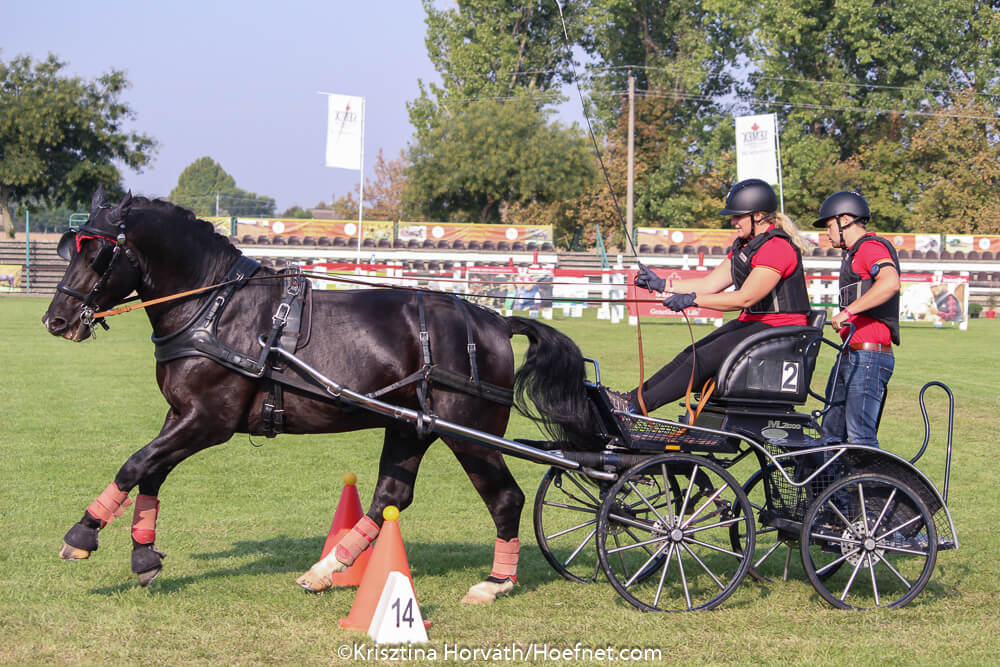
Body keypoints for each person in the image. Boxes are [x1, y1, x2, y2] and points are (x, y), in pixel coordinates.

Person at [613, 178, 811, 414]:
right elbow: (710, 284)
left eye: (738, 216)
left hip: (780, 331)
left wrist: (693, 299)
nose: (733, 222)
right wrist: (662, 284)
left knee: (702, 359)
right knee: (690, 354)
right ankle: (631, 399)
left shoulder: (777, 248)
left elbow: (745, 299)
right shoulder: (746, 247)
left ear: (758, 216)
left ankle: (633, 409)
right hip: (754, 325)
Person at [812, 191, 900, 448]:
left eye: (829, 225)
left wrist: (848, 312)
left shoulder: (869, 248)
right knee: (830, 434)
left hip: (868, 357)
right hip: (851, 354)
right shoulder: (853, 254)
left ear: (845, 220)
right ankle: (834, 477)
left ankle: (869, 477)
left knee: (860, 437)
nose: (827, 233)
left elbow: (890, 282)